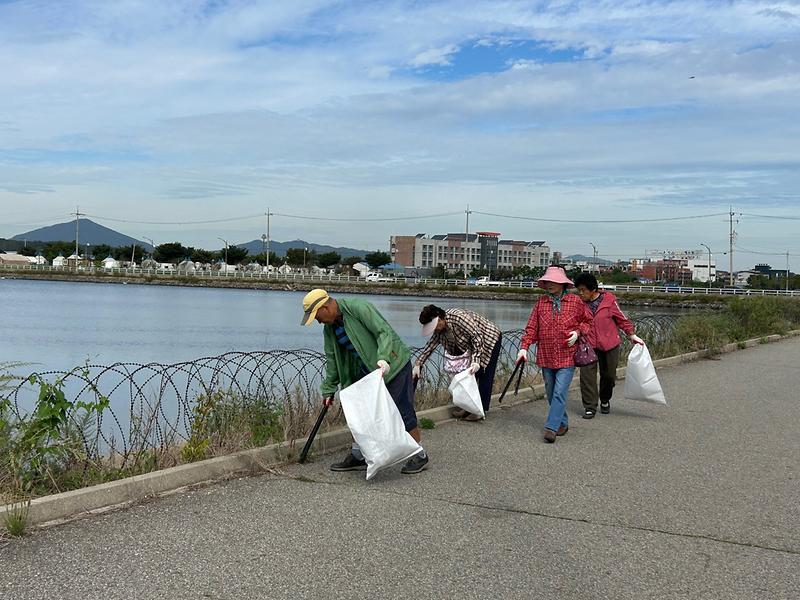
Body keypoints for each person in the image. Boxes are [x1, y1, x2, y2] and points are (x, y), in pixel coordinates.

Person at [301, 288, 429, 474]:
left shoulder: (358, 308)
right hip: (368, 371)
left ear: (325, 307)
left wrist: (384, 358)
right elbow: (332, 359)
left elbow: (383, 331)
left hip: (393, 365)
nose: (318, 321)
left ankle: (420, 455)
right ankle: (358, 455)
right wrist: (328, 389)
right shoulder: (330, 329)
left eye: (316, 316)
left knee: (402, 411)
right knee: (358, 413)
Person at [517, 266, 593, 443]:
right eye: (547, 281)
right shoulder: (541, 303)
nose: (549, 284)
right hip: (546, 354)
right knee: (551, 392)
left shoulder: (575, 301)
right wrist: (524, 347)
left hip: (567, 355)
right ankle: (562, 422)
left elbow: (588, 321)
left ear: (562, 283)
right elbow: (532, 327)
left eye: (553, 281)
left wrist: (577, 333)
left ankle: (551, 428)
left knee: (559, 392)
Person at [574, 273, 644, 418]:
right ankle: (590, 407)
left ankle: (605, 399)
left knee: (609, 376)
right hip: (588, 345)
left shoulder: (609, 301)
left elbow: (622, 319)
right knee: (587, 377)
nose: (580, 293)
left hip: (609, 344)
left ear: (593, 289)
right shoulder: (578, 304)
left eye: (583, 290)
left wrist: (632, 335)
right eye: (578, 290)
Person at [415, 305, 503, 421]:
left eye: (434, 326)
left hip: (489, 338)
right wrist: (418, 364)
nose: (434, 330)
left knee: (484, 374)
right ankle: (468, 408)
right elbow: (431, 345)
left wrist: (476, 360)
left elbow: (477, 336)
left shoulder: (458, 317)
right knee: (468, 377)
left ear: (439, 319)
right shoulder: (439, 330)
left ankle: (480, 411)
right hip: (474, 344)